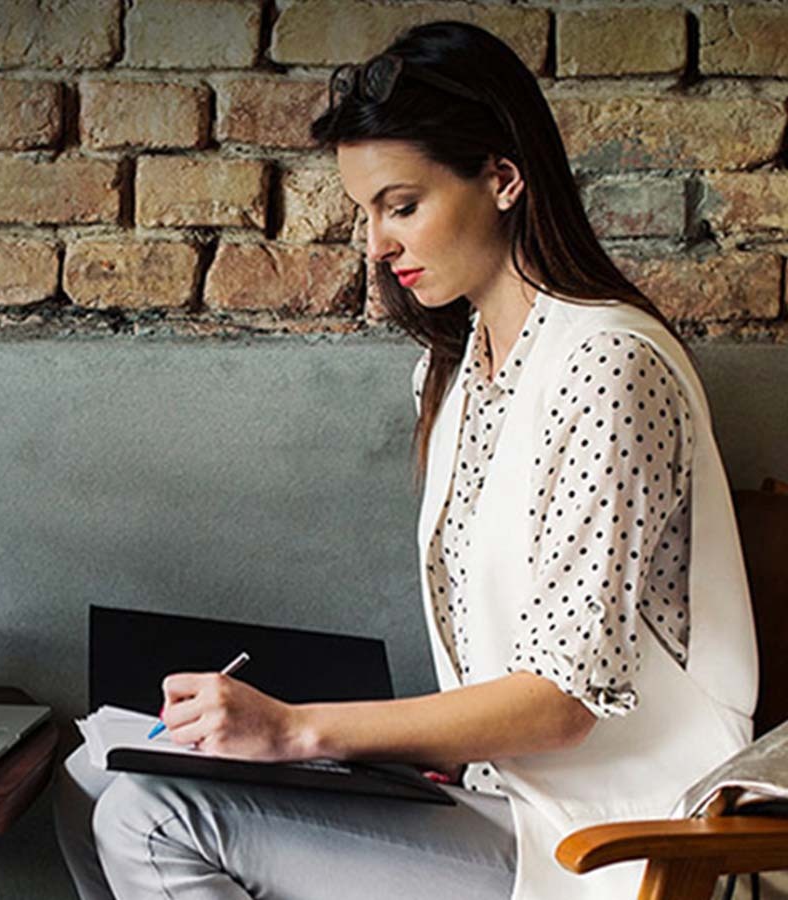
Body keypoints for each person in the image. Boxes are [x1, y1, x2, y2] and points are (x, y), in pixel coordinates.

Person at [53, 21, 758, 900]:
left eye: (402, 204)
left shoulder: (608, 363)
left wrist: (299, 731)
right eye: (366, 213)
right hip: (494, 799)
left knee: (149, 816)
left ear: (502, 178)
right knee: (90, 780)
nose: (377, 246)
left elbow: (562, 702)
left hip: (608, 843)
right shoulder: (458, 368)